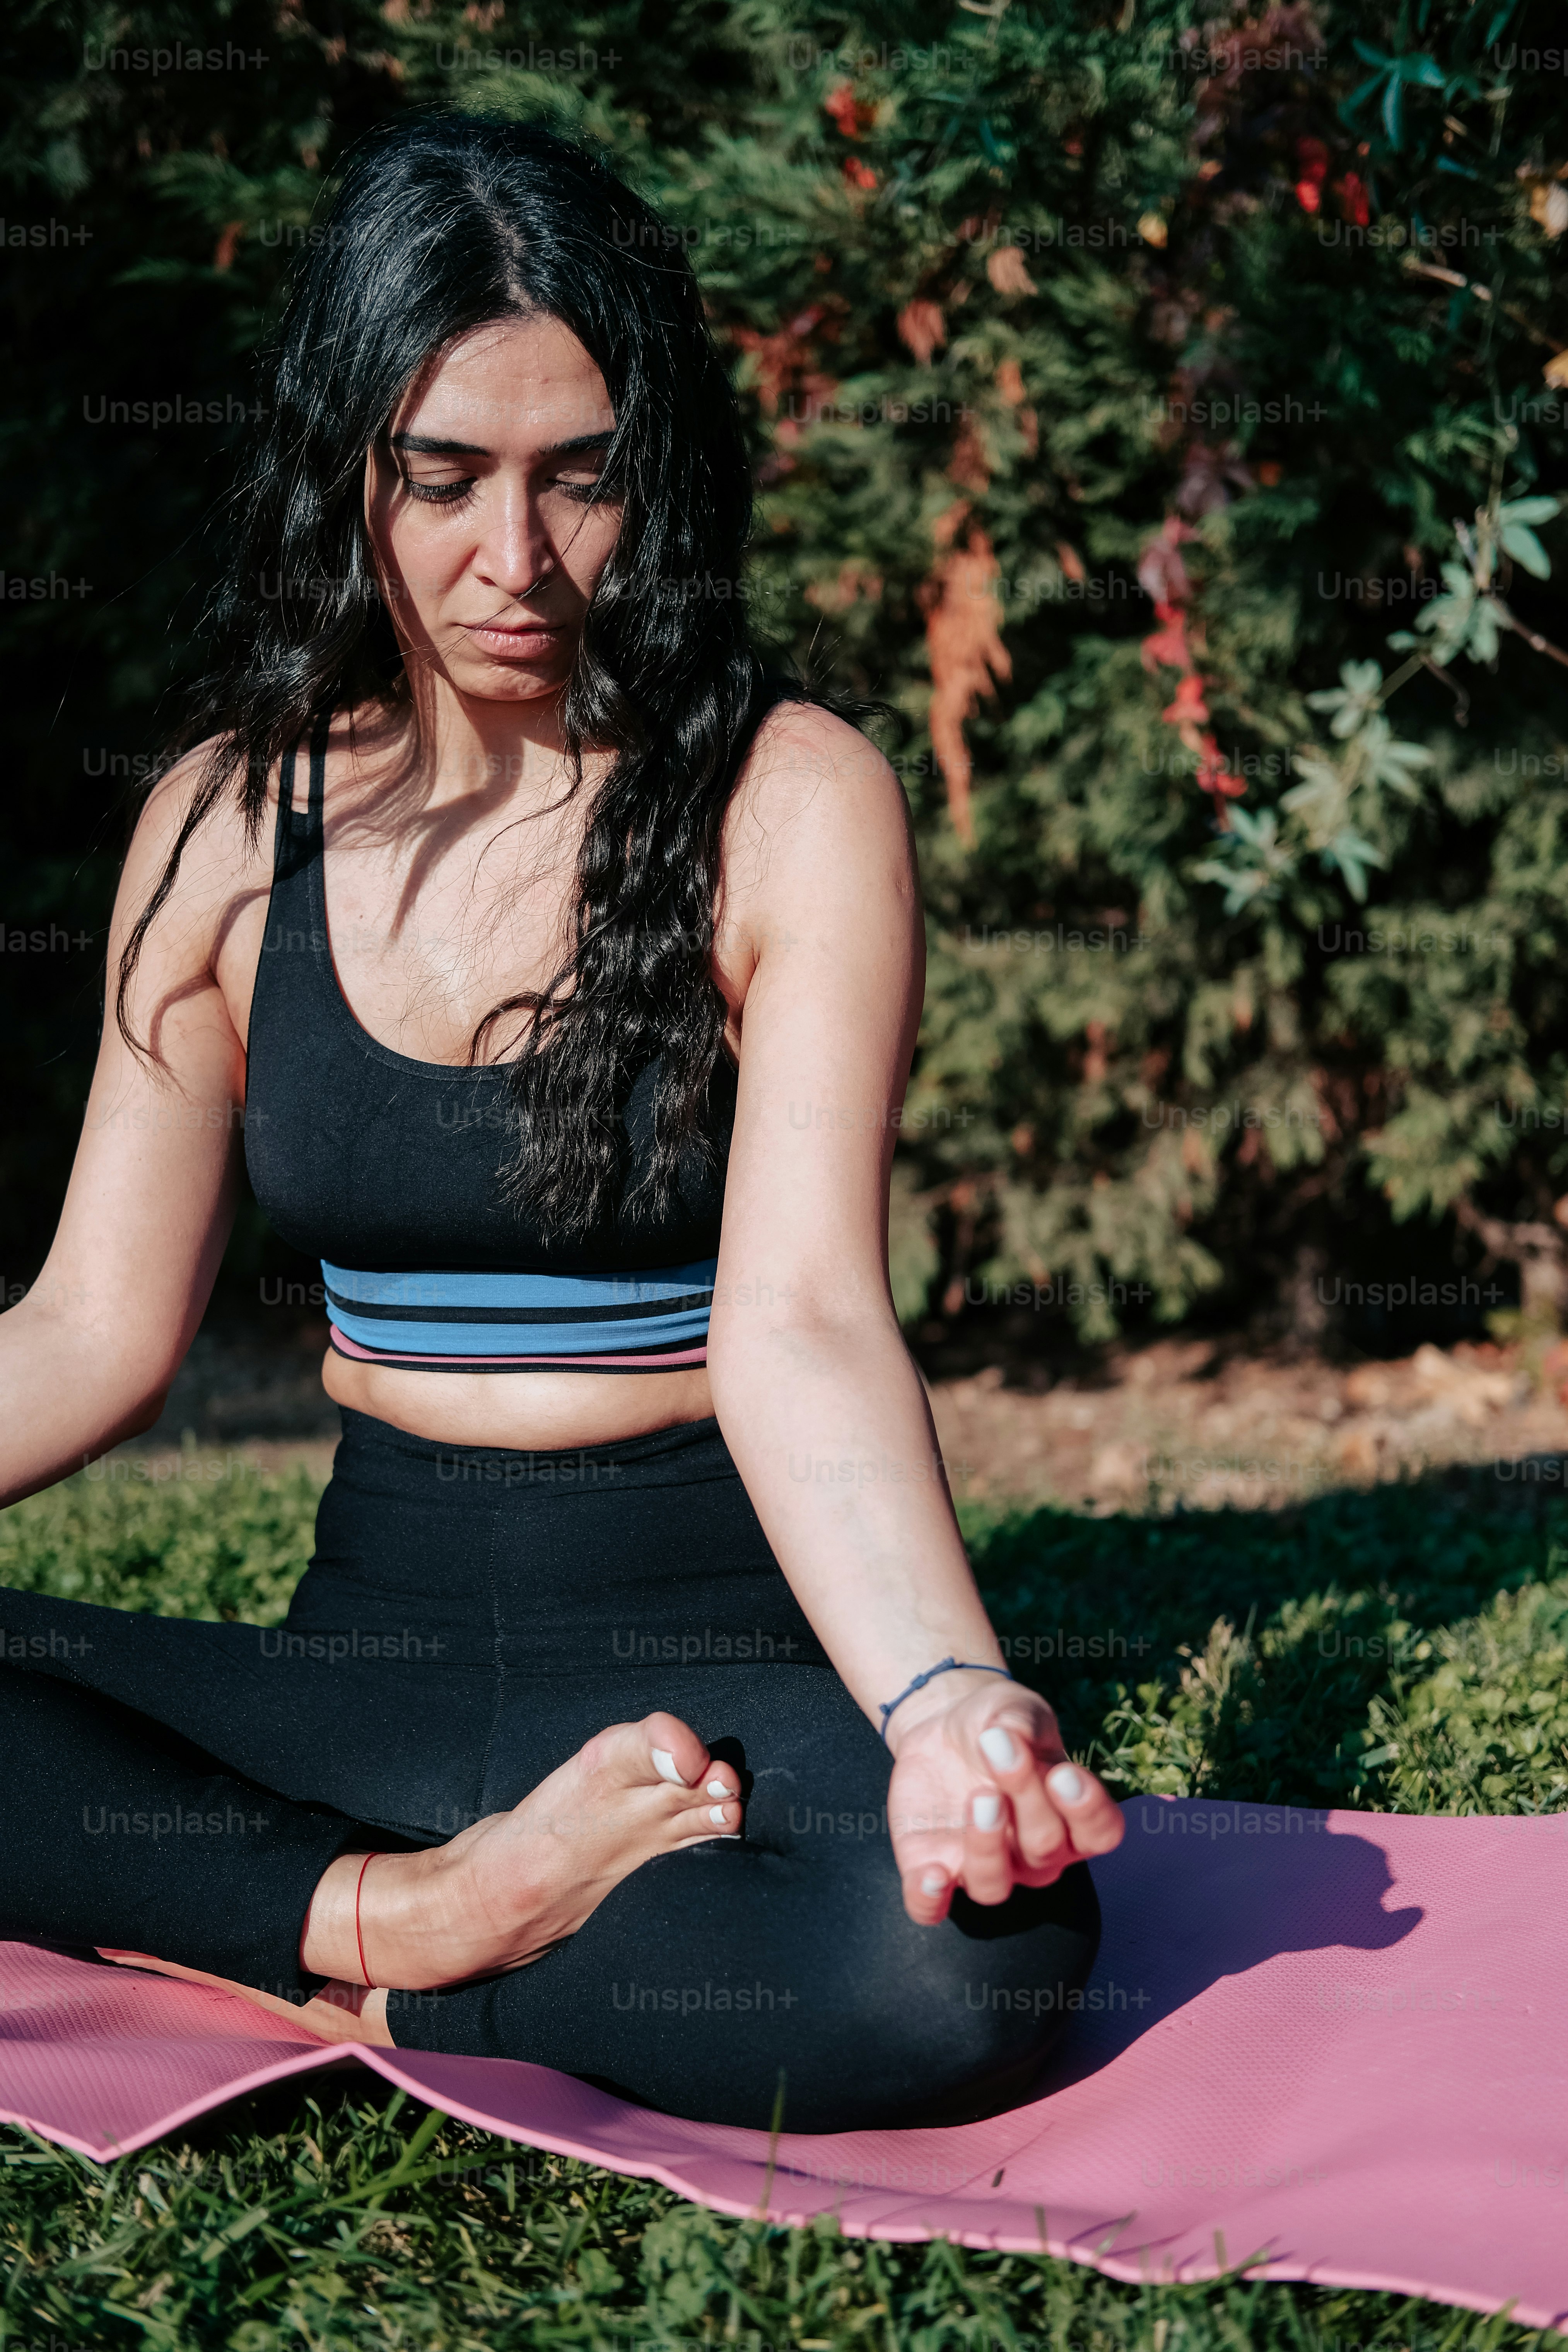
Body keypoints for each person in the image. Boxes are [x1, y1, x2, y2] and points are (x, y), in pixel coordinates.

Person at [0, 111, 1122, 2133]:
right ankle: (412, 1915)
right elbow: (88, 1330)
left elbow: (801, 1322)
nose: (513, 560)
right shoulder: (226, 824)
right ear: (346, 467)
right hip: (363, 1676)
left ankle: (343, 1960)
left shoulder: (789, 801)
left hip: (710, 1699)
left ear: (658, 470)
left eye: (581, 477)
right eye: (441, 479)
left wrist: (946, 1698)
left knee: (967, 1964)